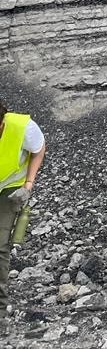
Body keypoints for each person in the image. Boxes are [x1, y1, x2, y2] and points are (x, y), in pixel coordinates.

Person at [0, 100, 45, 322]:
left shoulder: (23, 128)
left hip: (9, 189)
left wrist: (28, 184)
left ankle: (0, 304)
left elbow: (38, 149)